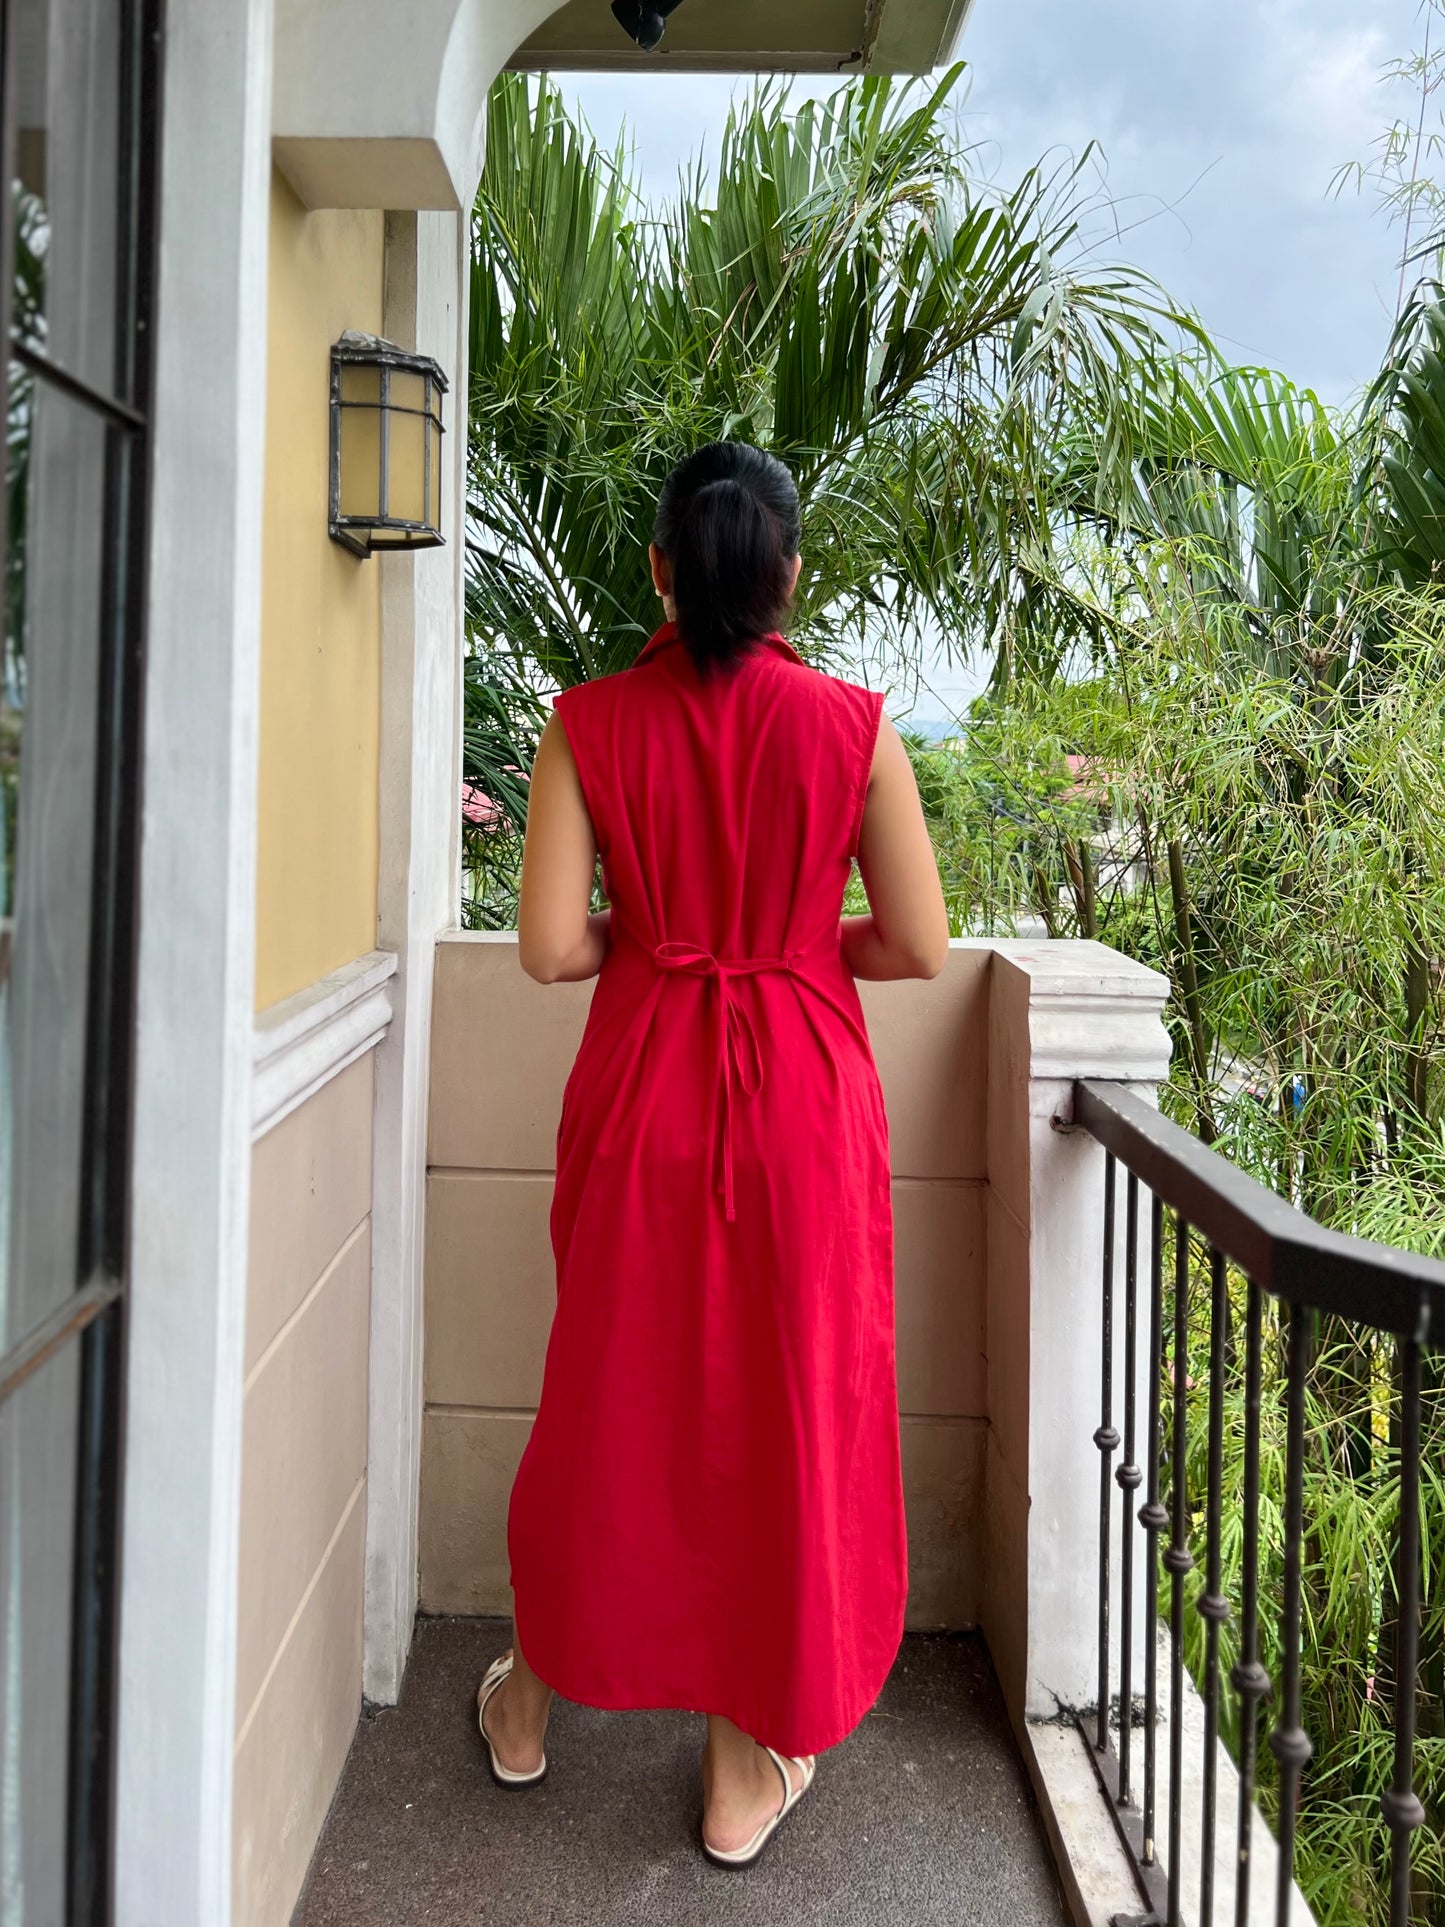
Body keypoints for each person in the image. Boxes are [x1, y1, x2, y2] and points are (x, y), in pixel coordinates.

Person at [475, 441, 950, 1869]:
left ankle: (524, 1709)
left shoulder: (587, 721)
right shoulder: (854, 727)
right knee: (786, 1411)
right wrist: (797, 947)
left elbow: (552, 950)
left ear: (659, 570)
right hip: (801, 1095)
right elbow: (920, 947)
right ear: (790, 570)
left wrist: (658, 942)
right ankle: (744, 1773)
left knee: (608, 1401)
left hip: (642, 1090)